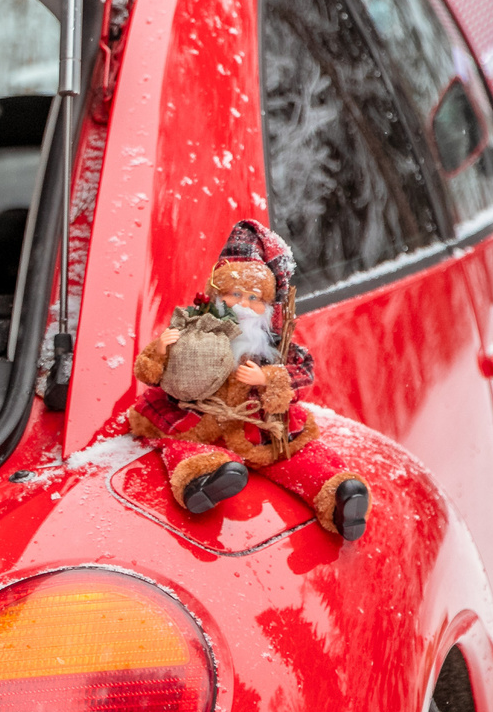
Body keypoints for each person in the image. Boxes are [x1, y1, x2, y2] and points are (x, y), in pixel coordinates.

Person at [127, 218, 371, 539]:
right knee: (182, 446)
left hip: (258, 424)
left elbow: (302, 374)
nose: (243, 305)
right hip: (200, 415)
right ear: (217, 295)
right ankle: (205, 480)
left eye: (254, 299)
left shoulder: (272, 345)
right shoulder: (193, 328)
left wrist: (266, 378)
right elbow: (154, 374)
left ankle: (339, 493)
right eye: (235, 295)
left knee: (299, 457)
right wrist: (161, 349)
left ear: (267, 307)